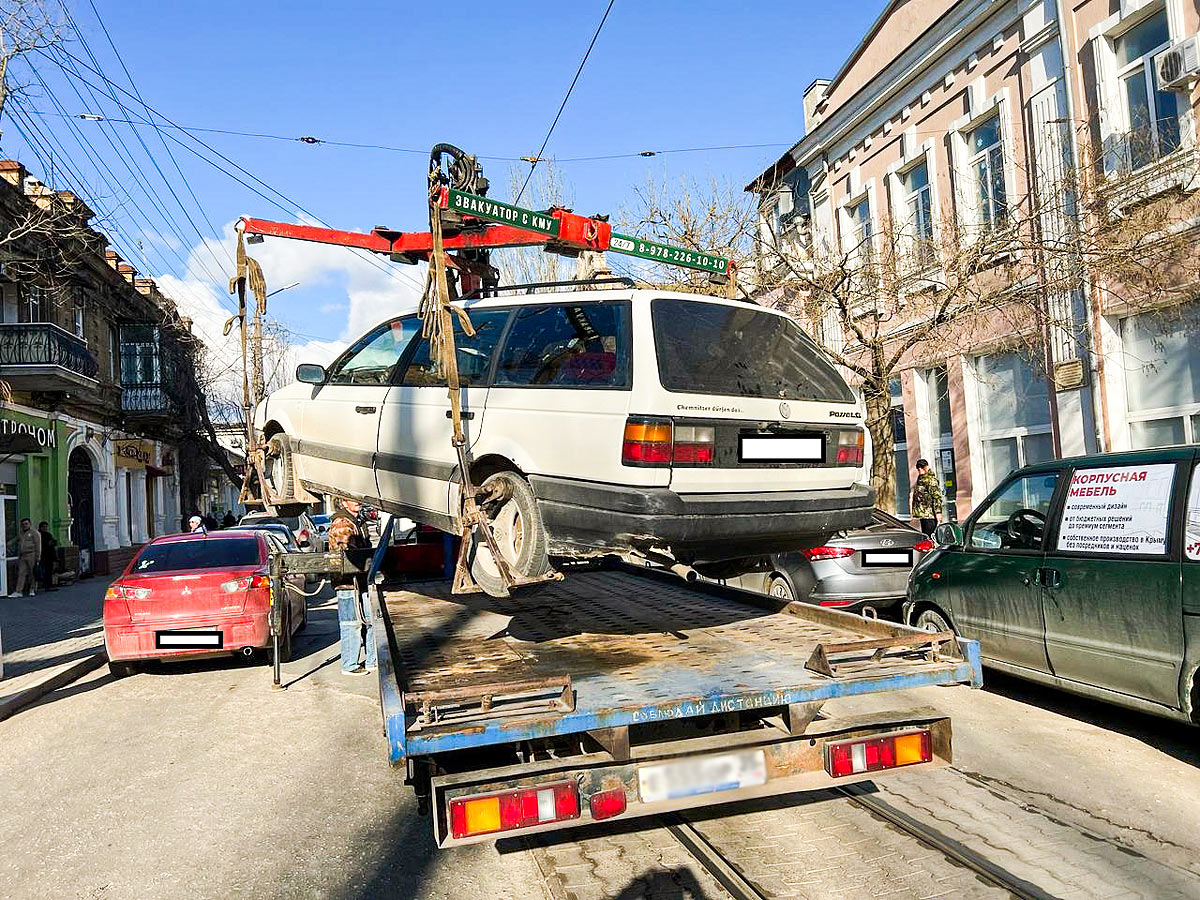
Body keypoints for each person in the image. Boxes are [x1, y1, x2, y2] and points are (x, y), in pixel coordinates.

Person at [327, 498, 374, 675]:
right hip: (347, 583)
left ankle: (372, 661)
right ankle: (350, 664)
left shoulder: (356, 521)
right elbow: (347, 555)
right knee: (351, 624)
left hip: (360, 581)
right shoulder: (342, 523)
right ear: (344, 503)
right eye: (351, 499)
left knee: (369, 621)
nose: (357, 502)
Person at [911, 458, 945, 537]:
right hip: (923, 513)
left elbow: (936, 497)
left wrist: (938, 512)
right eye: (918, 467)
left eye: (922, 467)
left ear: (927, 467)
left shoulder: (931, 480)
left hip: (930, 514)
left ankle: (932, 549)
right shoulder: (921, 478)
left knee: (930, 536)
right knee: (925, 535)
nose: (920, 469)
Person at [10, 518, 41, 597]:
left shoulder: (34, 533)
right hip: (23, 555)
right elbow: (15, 540)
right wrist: (6, 544)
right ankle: (18, 591)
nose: (24, 525)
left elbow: (38, 545)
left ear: (30, 524)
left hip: (32, 554)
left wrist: (38, 557)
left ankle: (32, 589)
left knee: (32, 573)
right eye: (23, 524)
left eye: (26, 524)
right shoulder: (21, 533)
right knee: (21, 573)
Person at [37, 522, 58, 593]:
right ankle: (45, 585)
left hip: (50, 556)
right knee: (44, 571)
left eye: (46, 527)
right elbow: (44, 544)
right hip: (43, 556)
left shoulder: (48, 534)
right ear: (40, 527)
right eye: (43, 527)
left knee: (49, 571)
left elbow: (53, 543)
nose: (45, 528)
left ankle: (49, 585)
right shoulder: (38, 535)